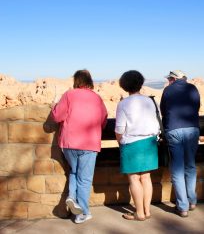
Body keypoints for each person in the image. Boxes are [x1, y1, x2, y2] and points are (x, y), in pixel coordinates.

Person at [51, 70, 108, 224]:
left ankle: (72, 197)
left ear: (76, 81)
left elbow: (57, 116)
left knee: (75, 172)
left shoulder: (69, 95)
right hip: (89, 144)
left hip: (69, 143)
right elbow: (103, 121)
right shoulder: (97, 98)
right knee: (85, 179)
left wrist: (53, 106)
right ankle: (82, 213)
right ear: (89, 81)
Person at [115, 70, 160, 221]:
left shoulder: (123, 104)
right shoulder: (151, 101)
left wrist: (120, 142)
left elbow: (119, 129)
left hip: (132, 143)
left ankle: (139, 213)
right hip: (150, 142)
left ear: (124, 85)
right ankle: (147, 211)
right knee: (146, 178)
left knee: (134, 179)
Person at [160, 70, 200, 217]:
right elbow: (196, 107)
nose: (169, 81)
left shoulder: (168, 90)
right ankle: (192, 201)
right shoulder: (193, 88)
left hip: (173, 130)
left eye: (170, 78)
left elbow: (163, 112)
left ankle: (182, 207)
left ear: (173, 79)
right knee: (190, 166)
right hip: (192, 129)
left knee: (177, 168)